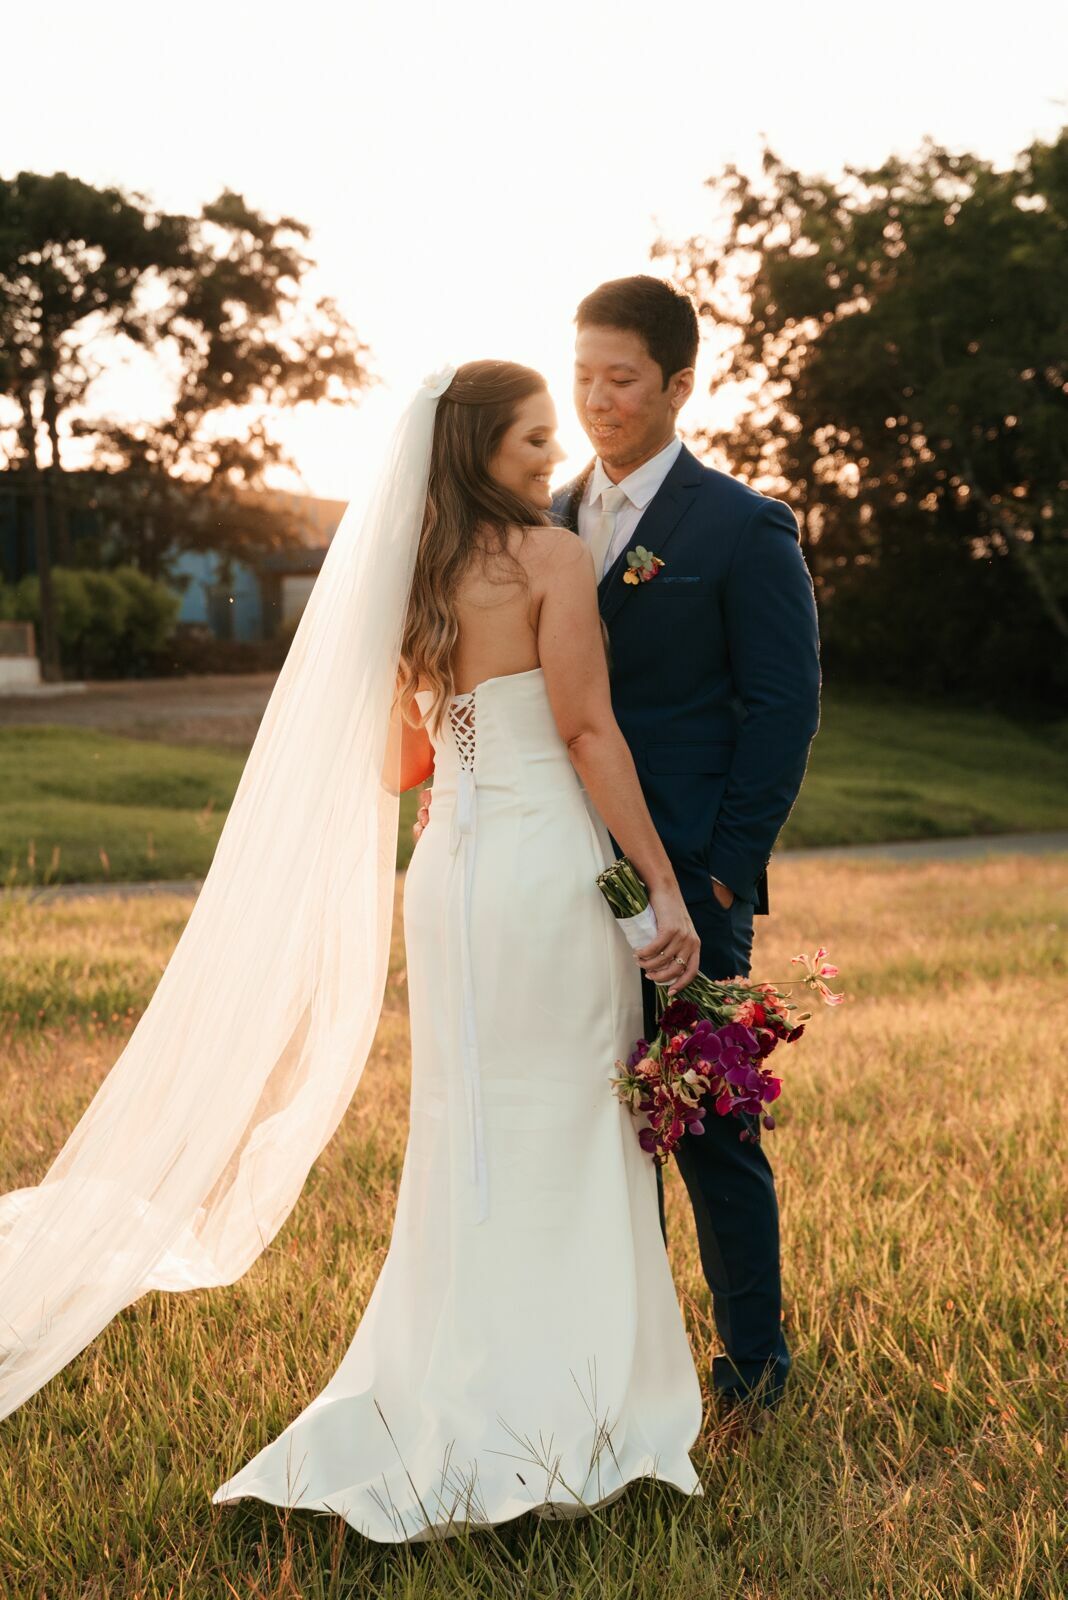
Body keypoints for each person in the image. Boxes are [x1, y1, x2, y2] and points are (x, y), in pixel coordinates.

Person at [0, 360, 707, 1543]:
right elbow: (587, 729)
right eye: (532, 441)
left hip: (448, 880)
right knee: (572, 1117)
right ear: (479, 448)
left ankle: (455, 1373)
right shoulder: (551, 560)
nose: (551, 459)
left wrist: (450, 716)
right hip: (541, 873)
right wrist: (661, 884)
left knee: (467, 1130)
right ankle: (573, 1398)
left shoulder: (411, 572)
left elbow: (402, 768)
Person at [550, 277, 822, 1417]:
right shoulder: (543, 519)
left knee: (706, 1117)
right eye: (583, 379)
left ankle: (752, 1364)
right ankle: (617, 1360)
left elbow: (783, 706)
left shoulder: (741, 525)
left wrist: (718, 866)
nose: (599, 401)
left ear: (678, 383)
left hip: (690, 876)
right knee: (582, 1120)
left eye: (622, 379)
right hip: (556, 868)